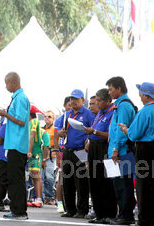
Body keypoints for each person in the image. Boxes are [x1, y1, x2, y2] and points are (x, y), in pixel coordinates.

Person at [118, 82, 154, 226]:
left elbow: (134, 134)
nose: (140, 97)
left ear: (145, 95)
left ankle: (145, 220)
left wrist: (125, 129)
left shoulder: (144, 111)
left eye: (141, 94)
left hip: (146, 150)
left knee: (144, 187)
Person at [56, 89, 94, 219]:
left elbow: (93, 130)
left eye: (76, 99)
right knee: (67, 182)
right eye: (72, 99)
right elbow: (58, 129)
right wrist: (60, 133)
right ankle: (70, 209)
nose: (73, 101)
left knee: (81, 182)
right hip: (67, 150)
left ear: (82, 100)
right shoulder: (67, 114)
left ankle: (82, 209)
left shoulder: (88, 114)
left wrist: (88, 141)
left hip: (81, 151)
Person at [106, 76, 137, 226]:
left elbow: (121, 129)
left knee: (124, 185)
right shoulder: (118, 104)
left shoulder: (124, 105)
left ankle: (126, 215)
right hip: (117, 151)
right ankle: (122, 214)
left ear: (119, 89)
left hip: (122, 152)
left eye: (111, 89)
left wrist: (116, 149)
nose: (109, 92)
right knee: (118, 185)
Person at [83, 88, 117, 223]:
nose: (96, 103)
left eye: (99, 101)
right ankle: (99, 213)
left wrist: (94, 132)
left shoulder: (112, 112)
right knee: (94, 181)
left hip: (104, 148)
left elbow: (110, 134)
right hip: (94, 147)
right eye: (95, 101)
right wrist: (89, 139)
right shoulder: (99, 113)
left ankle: (109, 214)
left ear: (107, 101)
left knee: (105, 182)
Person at [2, 71, 31, 220]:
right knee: (15, 179)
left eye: (7, 83)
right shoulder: (17, 98)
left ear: (14, 83)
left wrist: (5, 114)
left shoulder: (20, 98)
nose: (6, 86)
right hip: (14, 143)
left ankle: (19, 211)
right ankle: (18, 210)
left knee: (16, 180)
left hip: (17, 144)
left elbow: (20, 121)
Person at [53, 96, 72, 214]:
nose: (71, 107)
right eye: (69, 105)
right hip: (62, 151)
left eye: (72, 105)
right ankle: (60, 203)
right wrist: (56, 153)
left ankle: (70, 204)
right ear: (64, 106)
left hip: (73, 151)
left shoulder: (76, 118)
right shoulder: (60, 119)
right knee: (61, 177)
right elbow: (55, 137)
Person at [27, 107, 44, 208]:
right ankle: (36, 198)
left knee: (36, 176)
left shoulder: (34, 121)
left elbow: (32, 135)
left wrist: (29, 151)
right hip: (31, 152)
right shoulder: (28, 123)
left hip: (35, 152)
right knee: (33, 177)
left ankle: (39, 199)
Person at [42, 110, 56, 205]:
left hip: (51, 155)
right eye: (45, 116)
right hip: (42, 154)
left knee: (49, 177)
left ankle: (51, 196)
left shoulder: (54, 129)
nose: (47, 118)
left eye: (49, 116)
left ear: (53, 119)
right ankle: (46, 196)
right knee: (42, 177)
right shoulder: (42, 129)